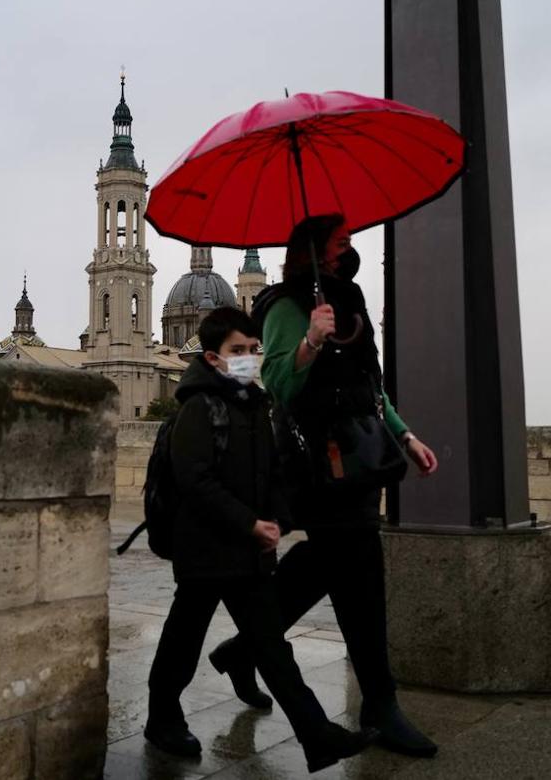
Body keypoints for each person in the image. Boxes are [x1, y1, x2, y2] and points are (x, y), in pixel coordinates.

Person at [207, 214, 443, 758]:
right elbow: (283, 385)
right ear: (317, 251)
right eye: (343, 242)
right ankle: (380, 703)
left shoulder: (346, 302)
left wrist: (405, 437)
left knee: (324, 564)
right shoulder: (287, 310)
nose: (351, 248)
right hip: (320, 468)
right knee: (361, 578)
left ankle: (245, 650)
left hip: (361, 460)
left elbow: (367, 386)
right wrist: (311, 341)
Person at [145, 306, 376, 773]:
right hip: (206, 553)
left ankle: (318, 735)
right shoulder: (197, 408)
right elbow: (196, 482)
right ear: (212, 358)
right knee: (182, 641)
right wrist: (250, 524)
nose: (249, 358)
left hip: (247, 554)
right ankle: (162, 718)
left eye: (254, 350)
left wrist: (275, 521)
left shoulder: (255, 405)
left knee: (273, 649)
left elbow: (271, 473)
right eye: (238, 351)